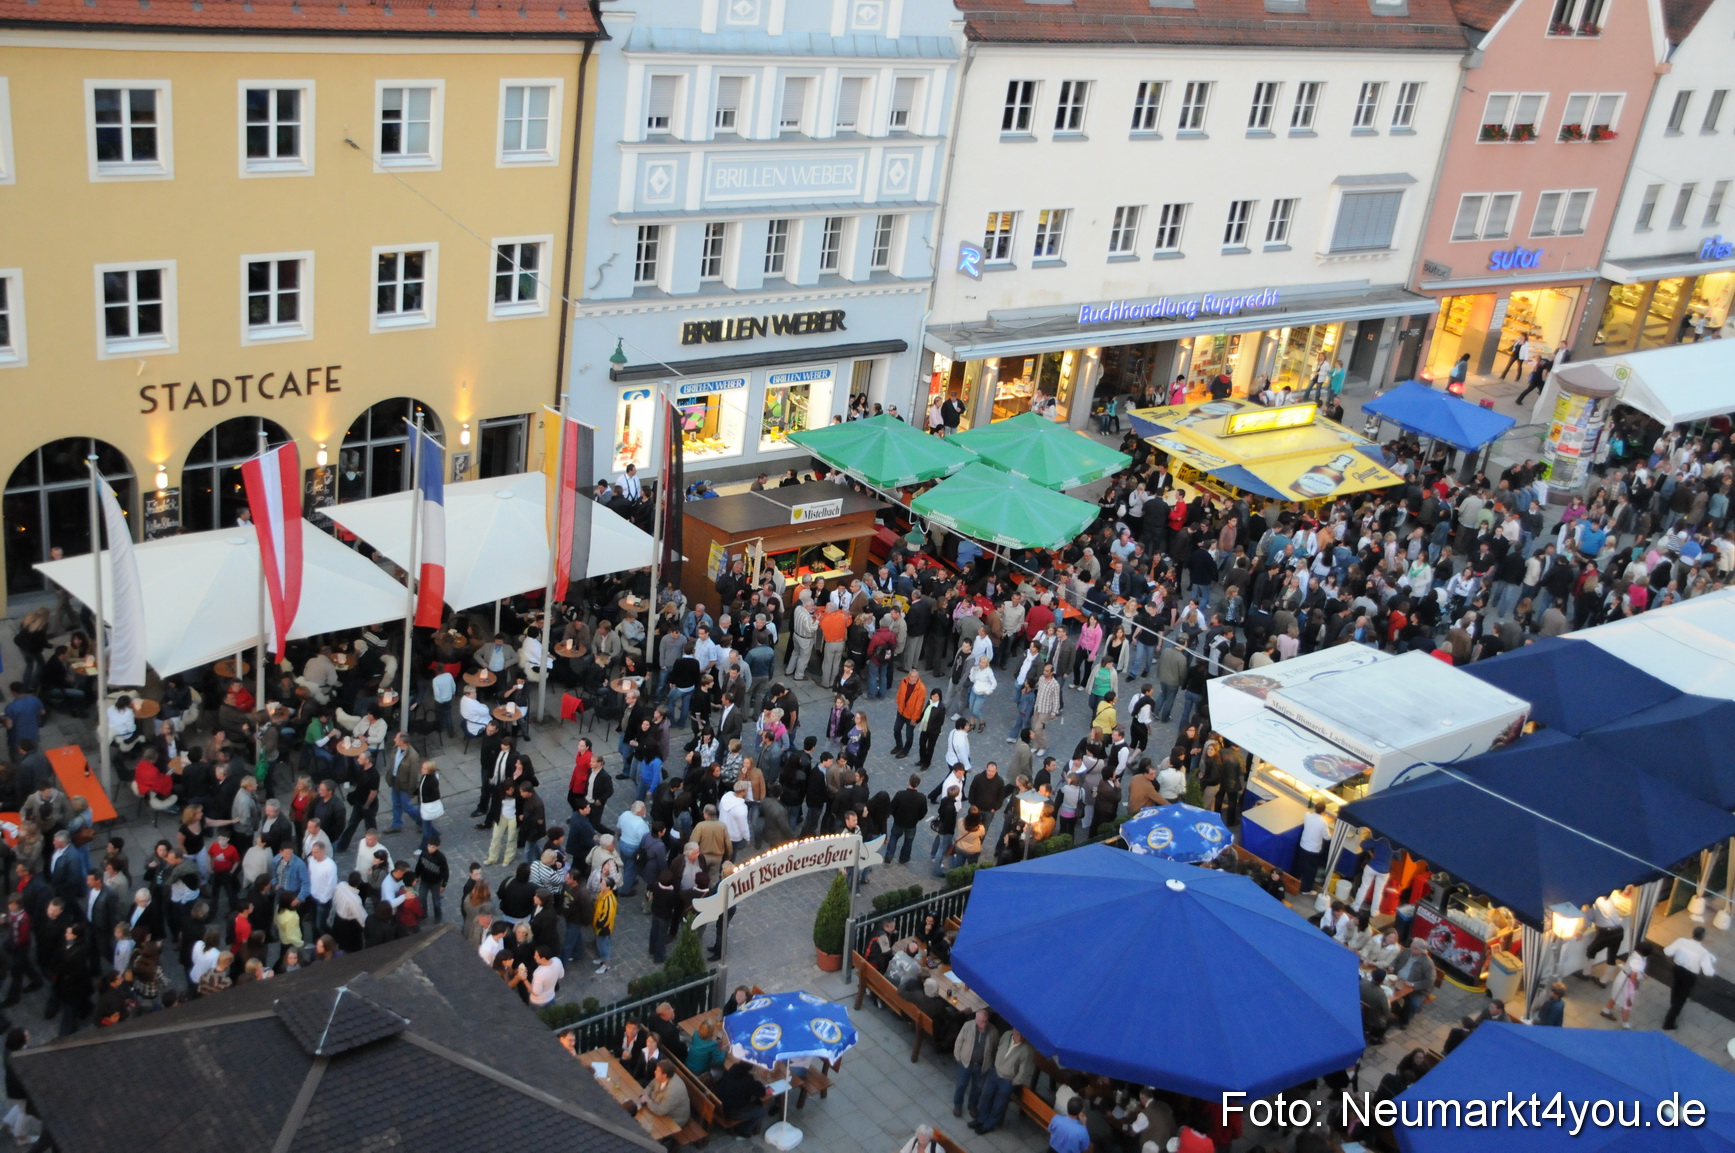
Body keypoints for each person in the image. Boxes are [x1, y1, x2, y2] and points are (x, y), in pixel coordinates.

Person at [971, 1028, 1034, 1134]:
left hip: (1007, 1079)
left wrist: (1014, 1082)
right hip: (995, 1072)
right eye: (1019, 1034)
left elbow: (1024, 1071)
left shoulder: (1026, 1050)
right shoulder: (1006, 1034)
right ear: (1013, 1031)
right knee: (986, 1096)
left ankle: (989, 1125)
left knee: (999, 1104)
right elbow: (998, 1046)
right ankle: (980, 1119)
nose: (1021, 1037)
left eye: (1023, 1035)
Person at [1663, 926, 1717, 1030]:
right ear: (1703, 937)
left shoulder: (1681, 941)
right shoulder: (1703, 952)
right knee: (1682, 997)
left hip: (1677, 969)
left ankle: (1673, 1004)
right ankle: (1670, 1020)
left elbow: (1668, 951)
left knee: (1675, 987)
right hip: (1690, 976)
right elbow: (1708, 972)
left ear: (1693, 933)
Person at [951, 1009, 998, 1119]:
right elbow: (959, 1041)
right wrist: (958, 1057)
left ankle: (972, 1106)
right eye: (981, 1021)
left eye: (986, 1021)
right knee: (961, 1085)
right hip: (966, 1063)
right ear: (976, 1020)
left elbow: (995, 1048)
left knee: (977, 1089)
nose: (984, 1024)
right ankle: (957, 1105)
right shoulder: (968, 1026)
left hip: (982, 1065)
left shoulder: (993, 1032)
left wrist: (990, 1063)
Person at [1601, 941, 1653, 1028]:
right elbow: (1633, 975)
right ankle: (1625, 1024)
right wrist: (1635, 984)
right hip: (1627, 982)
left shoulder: (1635, 954)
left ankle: (1606, 1010)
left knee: (1616, 995)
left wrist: (1642, 974)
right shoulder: (1638, 961)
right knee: (1627, 1003)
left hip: (1622, 977)